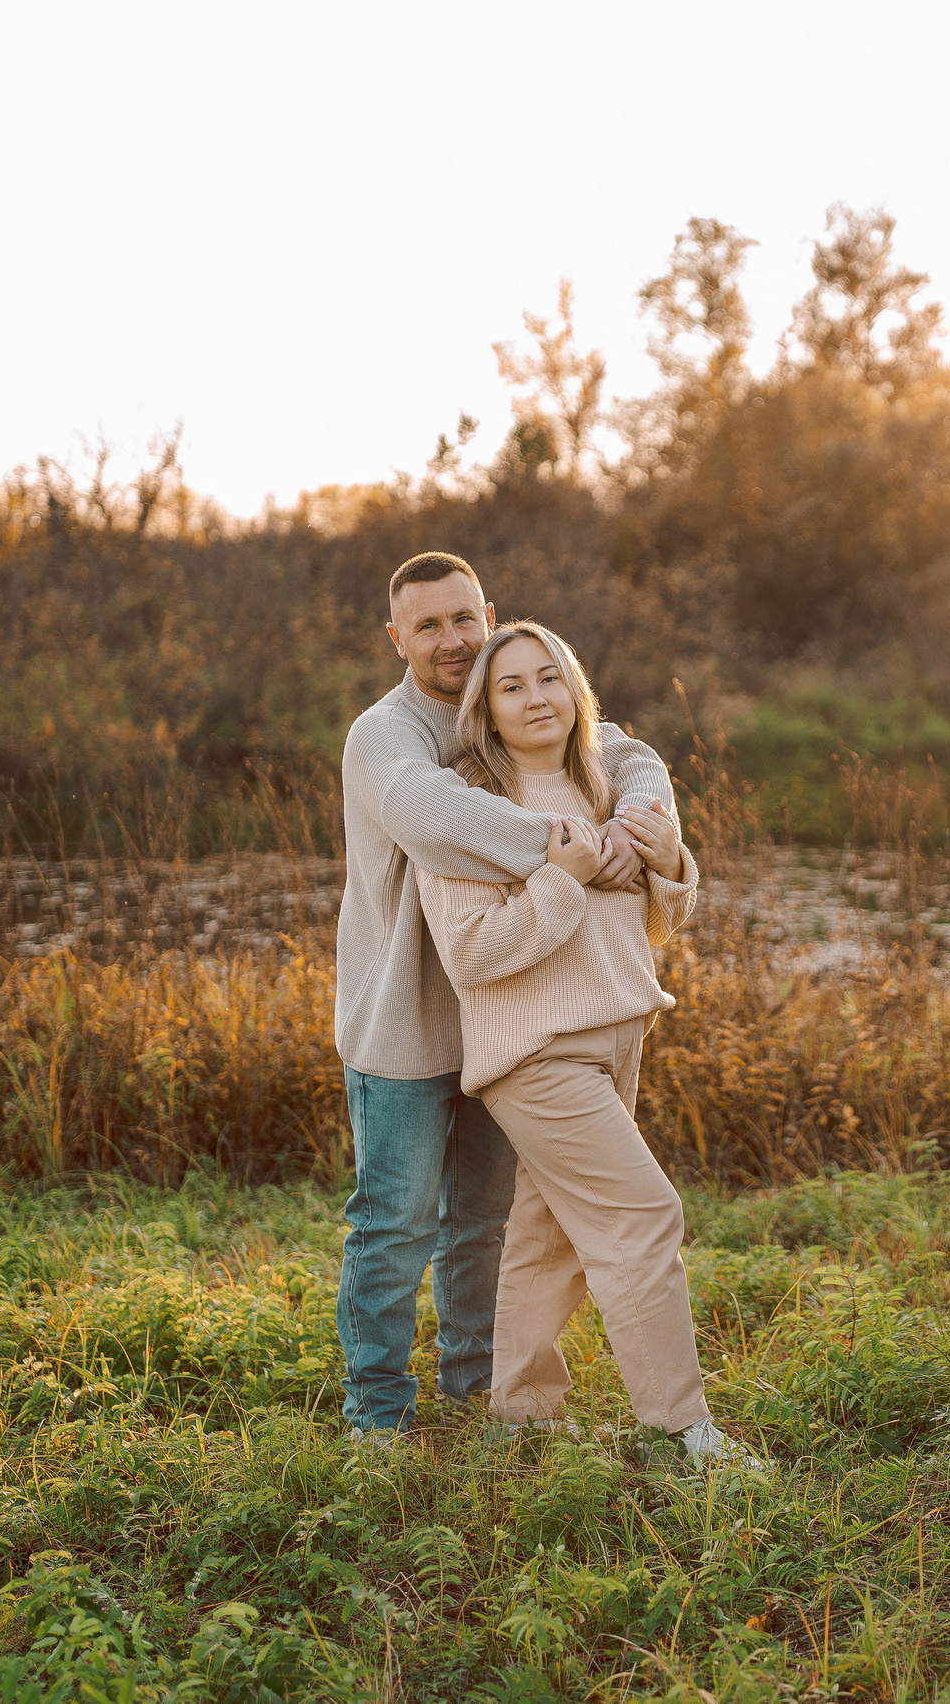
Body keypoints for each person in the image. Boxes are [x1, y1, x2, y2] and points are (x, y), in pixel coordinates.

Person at [333, 552, 673, 1440]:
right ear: (396, 636)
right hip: (408, 1017)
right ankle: (376, 1418)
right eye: (428, 625)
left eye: (462, 618)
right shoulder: (387, 735)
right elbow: (438, 819)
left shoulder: (503, 703)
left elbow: (628, 754)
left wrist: (641, 821)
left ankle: (477, 1396)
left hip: (506, 1016)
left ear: (489, 612)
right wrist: (592, 851)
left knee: (483, 1224)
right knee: (395, 1228)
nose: (451, 640)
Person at [419, 619, 761, 1469]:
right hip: (538, 1057)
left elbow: (660, 922)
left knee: (550, 1233)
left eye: (550, 678)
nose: (536, 697)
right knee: (643, 1218)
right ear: (485, 712)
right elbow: (472, 953)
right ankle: (681, 1434)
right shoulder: (468, 811)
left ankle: (521, 1416)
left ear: (577, 693)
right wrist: (559, 883)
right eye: (511, 686)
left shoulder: (608, 789)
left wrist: (671, 857)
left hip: (618, 1039)